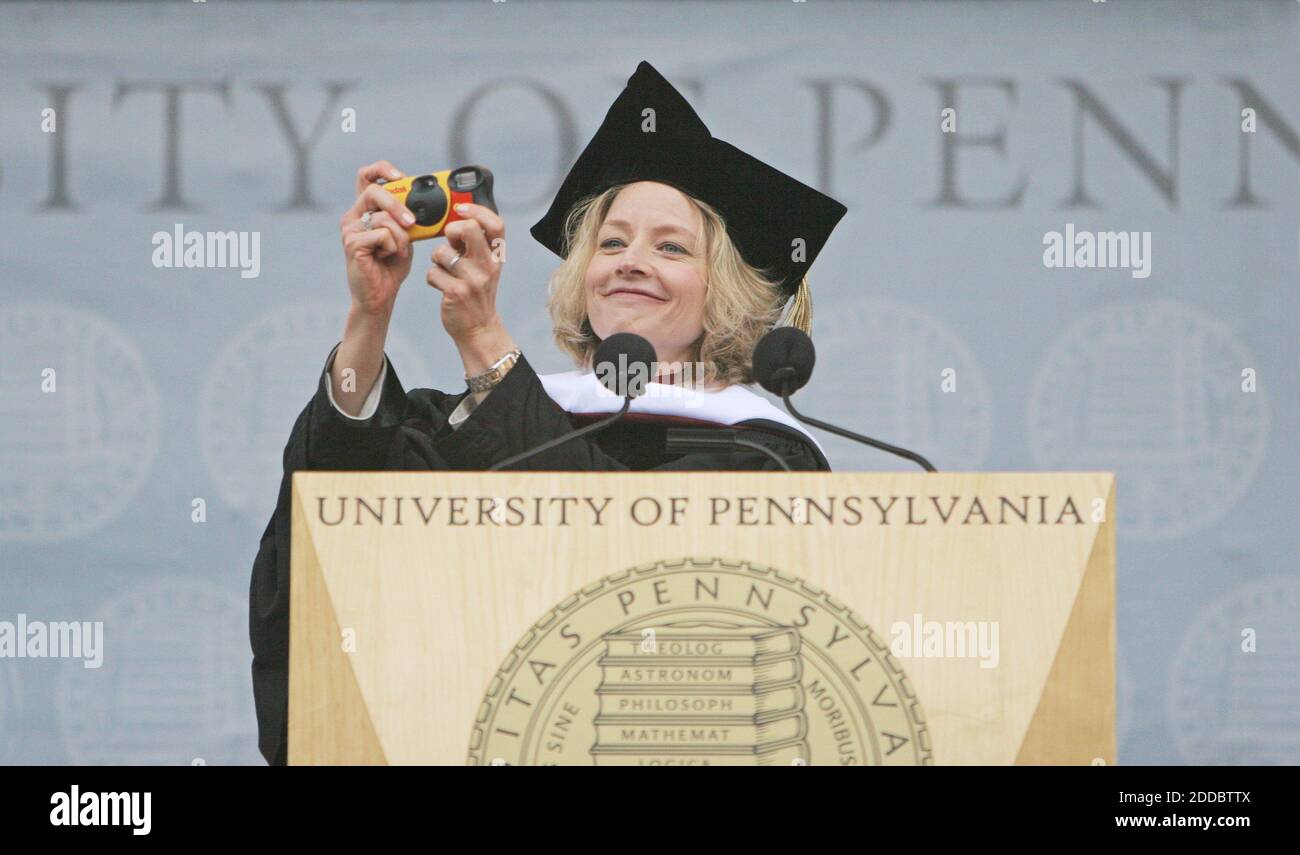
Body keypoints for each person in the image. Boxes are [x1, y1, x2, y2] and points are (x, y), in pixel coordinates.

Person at [248, 60, 847, 765]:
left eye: (672, 247)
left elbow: (629, 570)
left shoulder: (767, 457)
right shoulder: (475, 416)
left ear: (731, 291)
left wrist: (483, 341)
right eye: (611, 241)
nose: (630, 261)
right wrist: (369, 316)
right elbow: (332, 534)